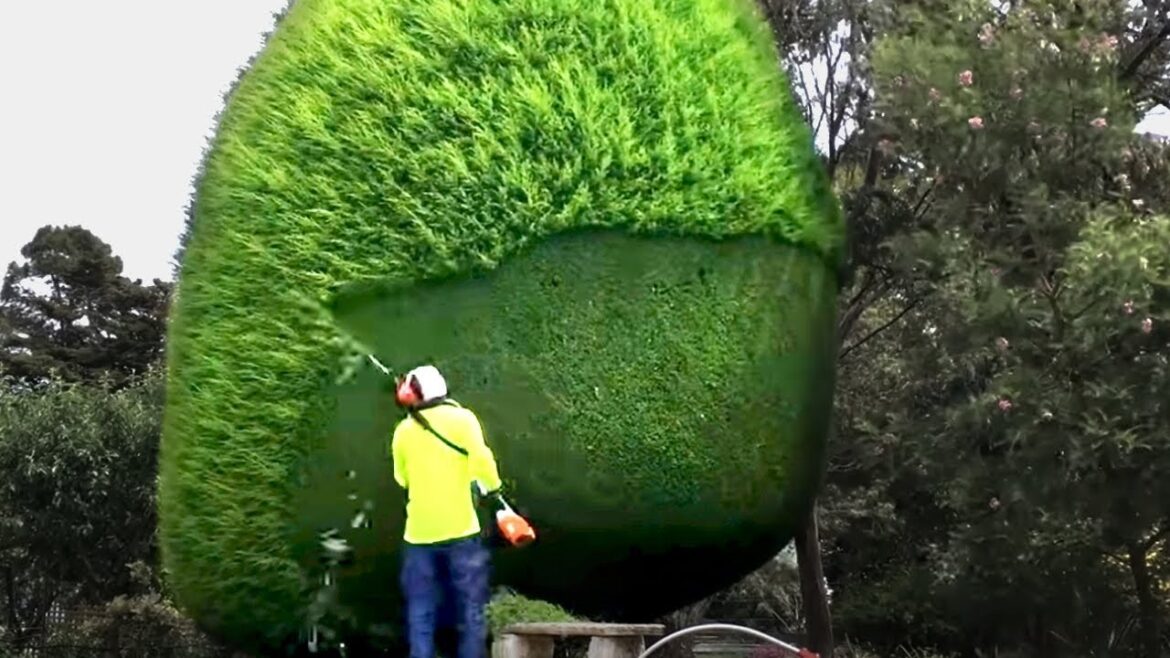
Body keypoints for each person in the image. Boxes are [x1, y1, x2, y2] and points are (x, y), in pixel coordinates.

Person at [390, 364, 504, 658]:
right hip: (462, 529)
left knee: (421, 611)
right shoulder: (463, 420)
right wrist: (493, 490)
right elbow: (483, 464)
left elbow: (401, 479)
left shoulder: (403, 431)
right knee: (471, 610)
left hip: (419, 533)